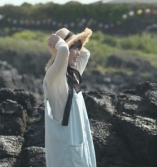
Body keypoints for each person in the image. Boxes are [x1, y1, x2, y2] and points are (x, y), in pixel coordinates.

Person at [43, 27, 96, 167]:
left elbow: (86, 54)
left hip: (80, 150)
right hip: (66, 154)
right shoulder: (53, 77)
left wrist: (75, 43)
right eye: (75, 48)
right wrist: (61, 44)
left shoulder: (73, 75)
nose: (78, 52)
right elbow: (64, 51)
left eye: (79, 48)